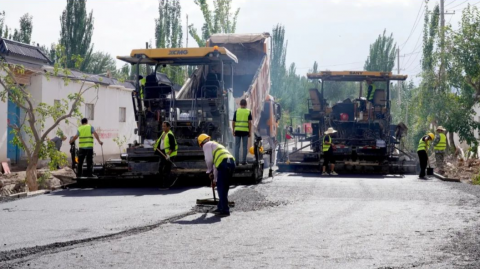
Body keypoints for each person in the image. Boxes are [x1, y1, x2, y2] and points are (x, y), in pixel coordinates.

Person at [198, 133, 235, 217]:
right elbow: (216, 166)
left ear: (201, 143)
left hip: (224, 164)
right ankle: (221, 206)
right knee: (224, 187)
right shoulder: (216, 145)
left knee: (221, 187)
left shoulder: (206, 145)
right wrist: (214, 180)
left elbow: (208, 159)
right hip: (231, 163)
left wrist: (209, 171)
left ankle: (224, 210)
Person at [154, 121, 177, 188]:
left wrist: (168, 155)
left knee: (166, 170)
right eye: (162, 126)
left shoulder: (170, 134)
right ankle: (162, 184)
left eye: (164, 126)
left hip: (169, 154)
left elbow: (172, 147)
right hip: (162, 153)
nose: (163, 127)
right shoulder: (163, 133)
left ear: (168, 127)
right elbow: (161, 142)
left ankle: (167, 185)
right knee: (160, 169)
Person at [232, 99, 252, 165]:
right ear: (246, 104)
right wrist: (249, 131)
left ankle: (236, 162)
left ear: (240, 104)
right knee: (244, 147)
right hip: (245, 131)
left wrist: (233, 130)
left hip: (237, 131)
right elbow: (249, 122)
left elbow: (233, 122)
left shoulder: (236, 111)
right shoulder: (248, 111)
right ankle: (244, 161)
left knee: (237, 146)